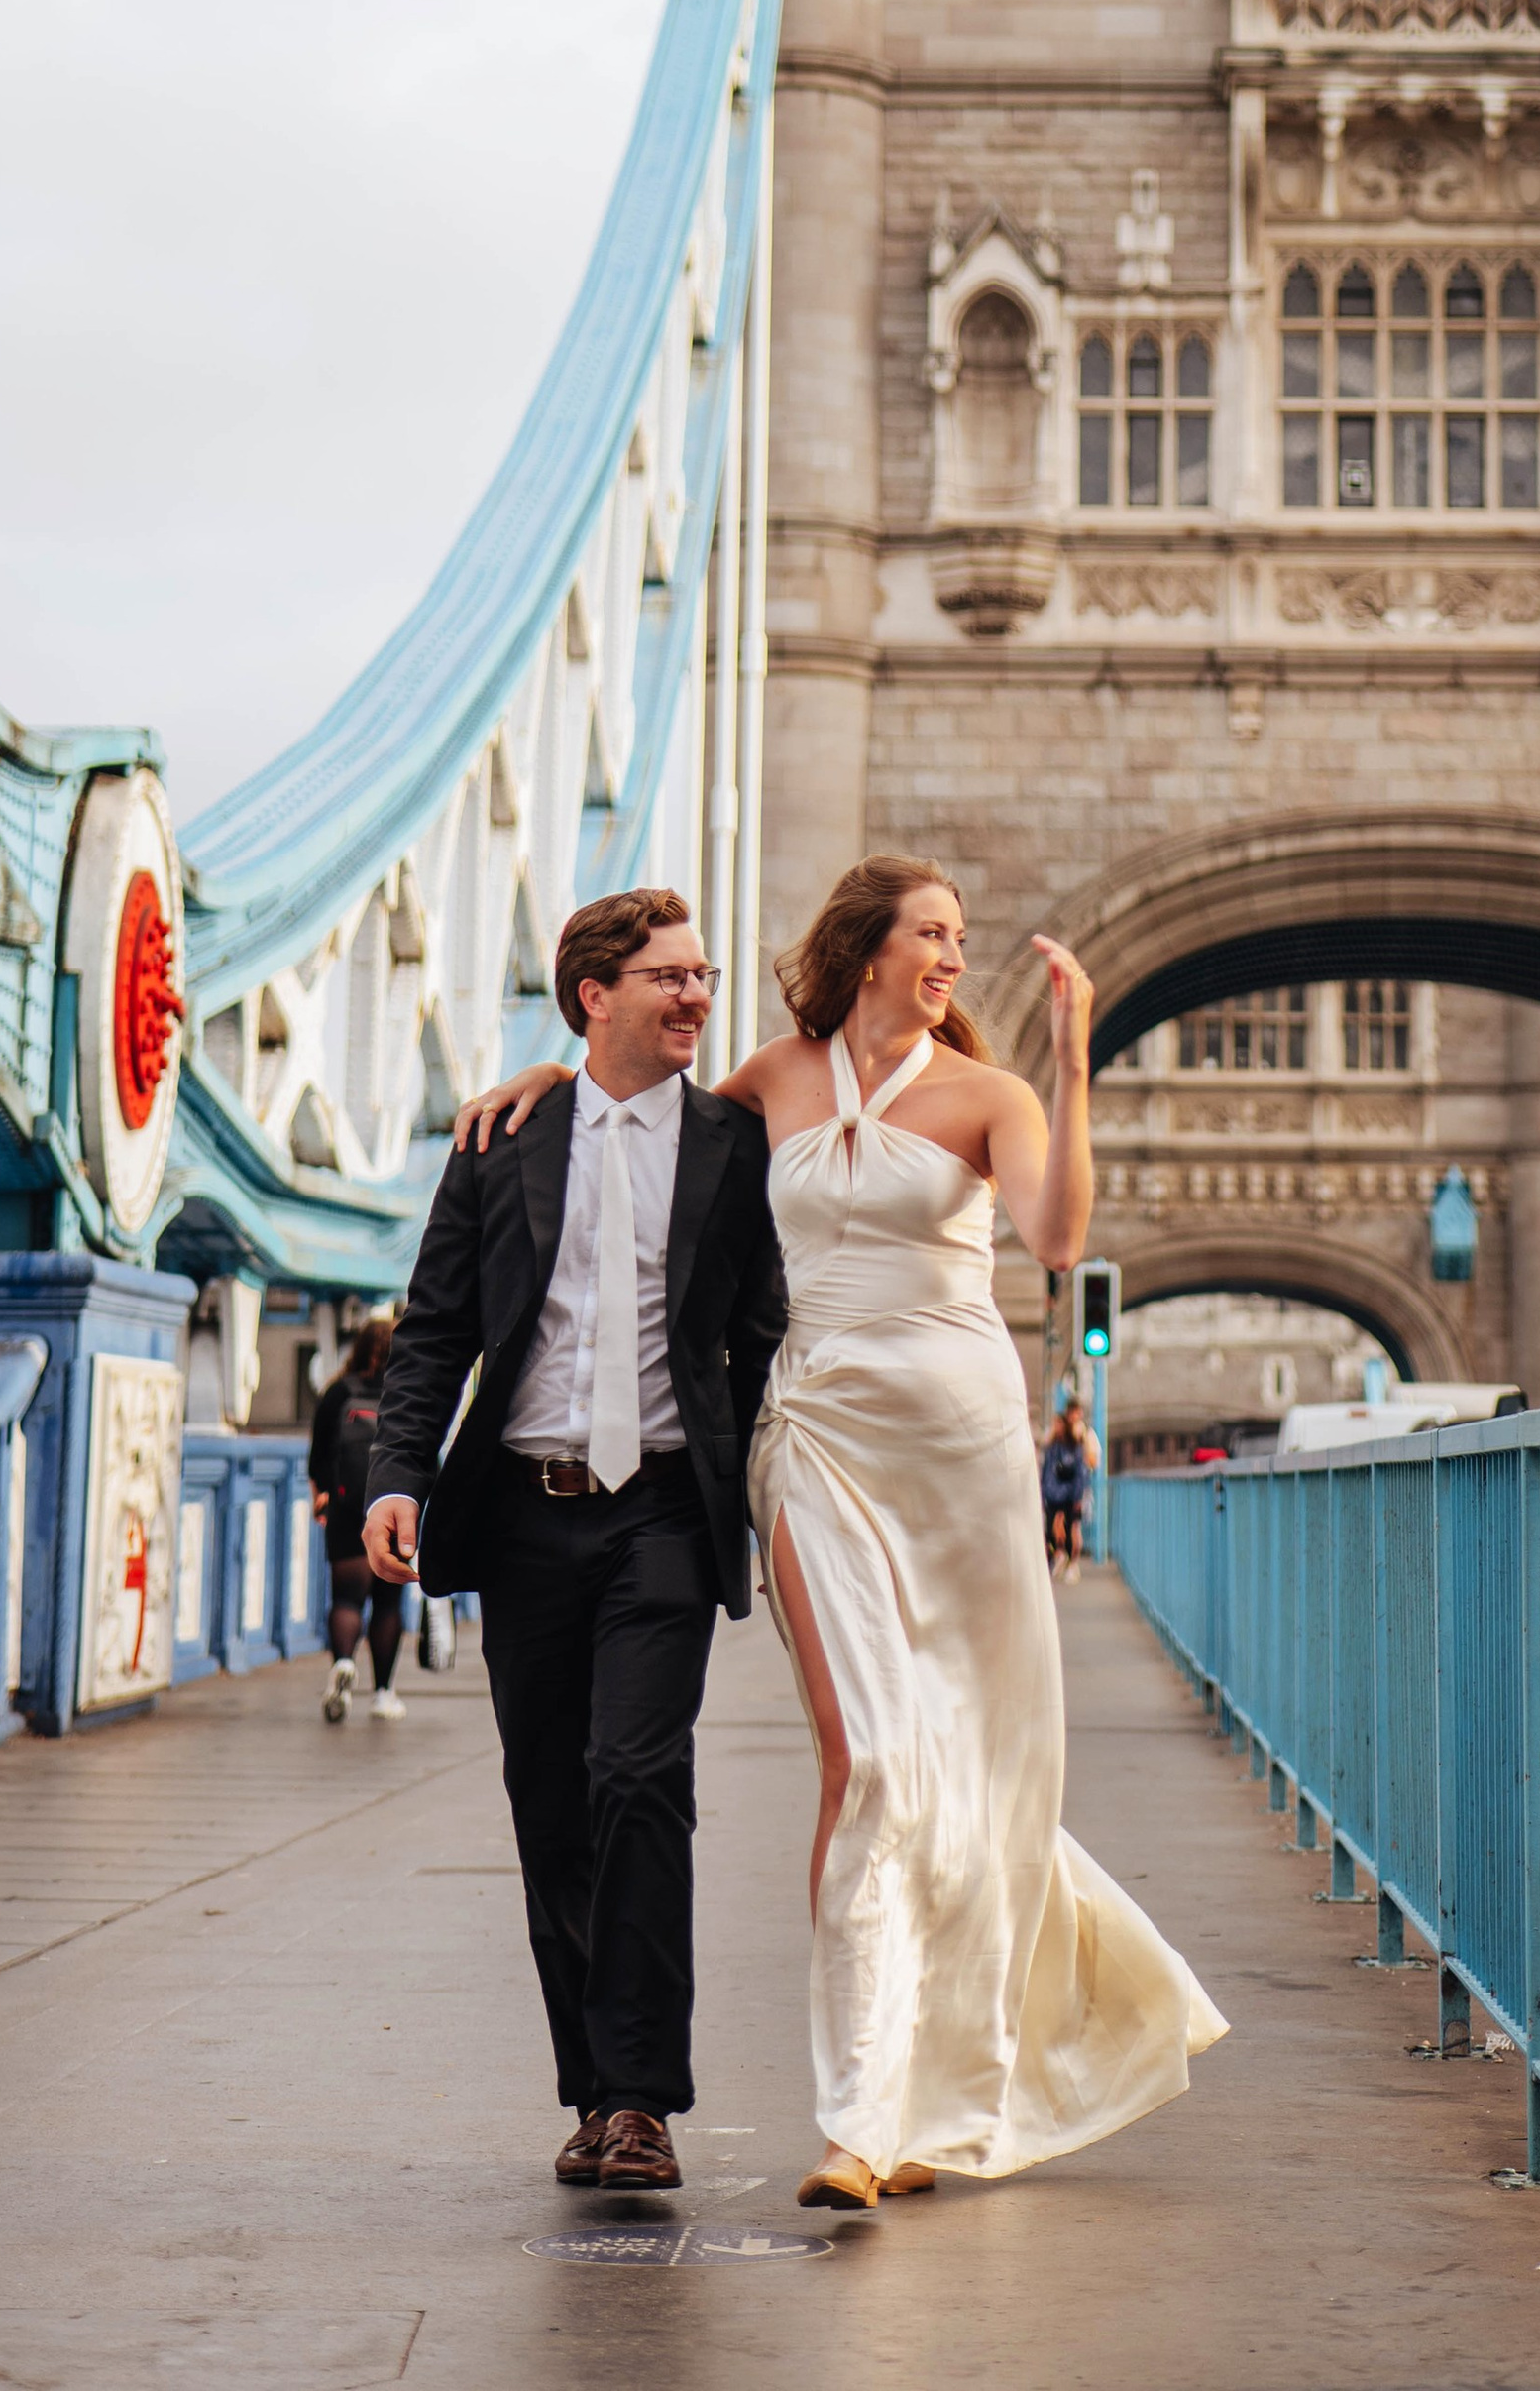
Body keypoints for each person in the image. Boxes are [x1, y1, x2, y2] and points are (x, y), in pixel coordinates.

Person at [458, 854, 1224, 2212]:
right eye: (931, 932)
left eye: (961, 937)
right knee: (869, 1758)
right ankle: (865, 2115)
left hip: (969, 1455)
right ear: (866, 949)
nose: (953, 953)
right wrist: (540, 1085)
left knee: (981, 1773)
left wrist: (1082, 1060)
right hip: (816, 1439)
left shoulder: (992, 1094)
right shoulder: (776, 1079)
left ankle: (946, 2084)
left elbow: (1052, 1238)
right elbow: (638, 1118)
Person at [363, 887, 786, 2199]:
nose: (697, 997)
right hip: (527, 1513)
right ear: (593, 995)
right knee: (552, 1804)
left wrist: (733, 1444)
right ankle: (592, 2090)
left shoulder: (737, 1142)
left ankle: (643, 2100)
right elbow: (437, 1331)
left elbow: (765, 1319)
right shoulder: (503, 1137)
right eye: (668, 976)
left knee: (637, 1776)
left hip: (662, 1505)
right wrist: (396, 1481)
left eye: (704, 975)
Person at [310, 1320, 404, 1724]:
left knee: (347, 1598)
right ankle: (383, 1693)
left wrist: (323, 1499)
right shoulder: (405, 1391)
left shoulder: (339, 1391)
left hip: (347, 1508)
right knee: (387, 1603)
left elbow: (317, 1454)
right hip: (394, 1505)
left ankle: (344, 1664)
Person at [1040, 1398, 1094, 1579]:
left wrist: (1079, 1494)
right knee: (1055, 1527)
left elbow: (1088, 1464)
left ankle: (1071, 1562)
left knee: (1073, 1526)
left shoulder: (1082, 1438)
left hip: (1071, 1492)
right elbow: (1047, 1469)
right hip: (1056, 1493)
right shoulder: (1054, 1446)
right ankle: (1061, 1556)